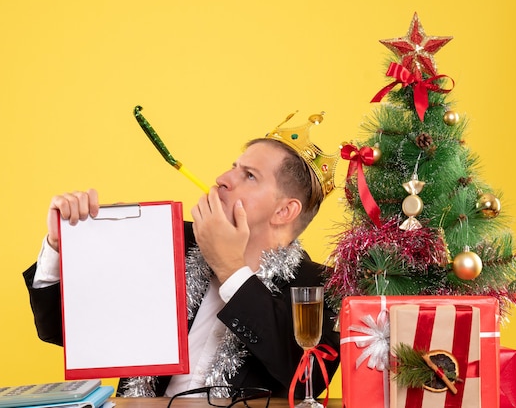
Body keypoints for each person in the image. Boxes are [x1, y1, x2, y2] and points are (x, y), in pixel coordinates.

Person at [23, 112, 341, 399]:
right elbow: (61, 330)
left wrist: (230, 268)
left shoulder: (323, 286)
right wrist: (59, 244)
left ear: (284, 211)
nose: (223, 179)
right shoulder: (166, 239)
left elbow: (305, 380)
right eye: (234, 167)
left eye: (249, 176)